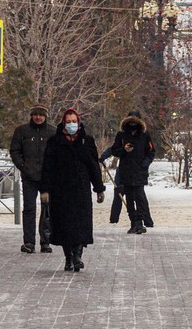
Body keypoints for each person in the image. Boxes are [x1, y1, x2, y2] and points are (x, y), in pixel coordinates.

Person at [40, 108, 105, 271]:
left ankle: (77, 256)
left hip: (80, 190)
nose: (71, 124)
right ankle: (68, 257)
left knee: (80, 224)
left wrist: (99, 188)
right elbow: (47, 166)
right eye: (68, 122)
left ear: (79, 123)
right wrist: (45, 190)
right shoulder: (55, 141)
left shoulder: (87, 141)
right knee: (63, 225)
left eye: (74, 122)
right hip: (60, 190)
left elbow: (93, 166)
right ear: (63, 123)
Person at [10, 104, 57, 253]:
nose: (38, 117)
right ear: (31, 115)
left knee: (47, 210)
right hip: (29, 176)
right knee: (29, 209)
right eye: (35, 114)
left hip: (47, 178)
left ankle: (46, 241)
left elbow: (58, 152)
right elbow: (15, 150)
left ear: (45, 116)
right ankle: (29, 242)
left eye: (41, 115)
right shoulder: (22, 130)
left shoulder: (52, 131)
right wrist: (23, 166)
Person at [108, 110, 155, 234]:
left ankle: (139, 222)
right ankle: (133, 222)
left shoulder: (145, 136)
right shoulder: (121, 135)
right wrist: (124, 150)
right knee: (129, 199)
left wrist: (144, 164)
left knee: (139, 198)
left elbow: (151, 152)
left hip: (139, 172)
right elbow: (114, 151)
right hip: (126, 171)